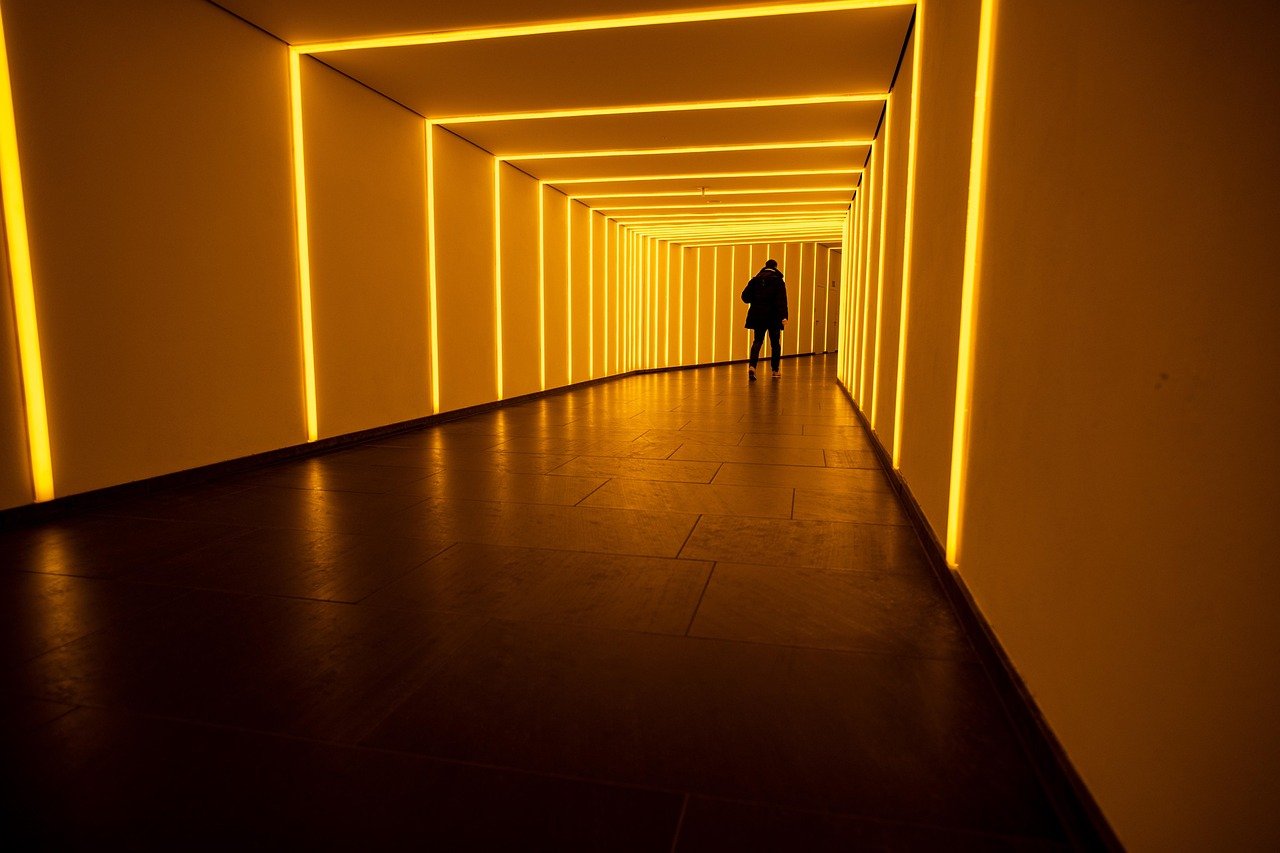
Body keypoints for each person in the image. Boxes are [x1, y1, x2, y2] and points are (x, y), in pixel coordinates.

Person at [741, 259, 789, 380]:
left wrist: (756, 299)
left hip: (758, 316)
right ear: (775, 267)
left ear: (765, 267)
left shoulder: (755, 280)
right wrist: (784, 316)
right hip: (774, 317)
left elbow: (745, 297)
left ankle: (752, 366)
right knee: (775, 344)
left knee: (757, 342)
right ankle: (775, 369)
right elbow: (782, 301)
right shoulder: (778, 281)